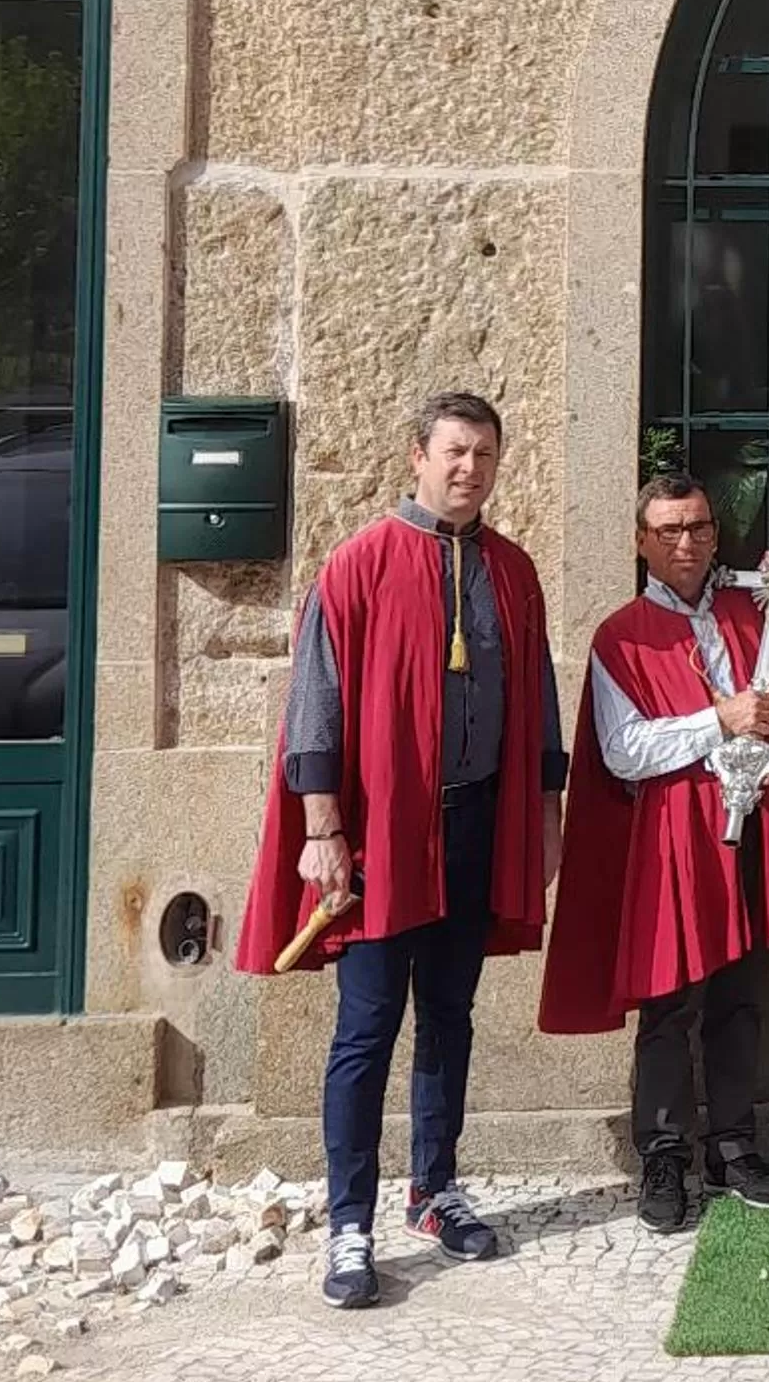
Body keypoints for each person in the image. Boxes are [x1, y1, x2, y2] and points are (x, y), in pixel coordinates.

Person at [235, 390, 564, 1310]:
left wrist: (545, 816)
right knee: (367, 1029)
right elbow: (316, 706)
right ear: (417, 456)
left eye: (486, 456)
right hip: (380, 838)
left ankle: (436, 1188)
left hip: (475, 824)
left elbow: (535, 703)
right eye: (455, 452)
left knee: (450, 1017)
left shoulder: (513, 572)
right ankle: (348, 1222)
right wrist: (323, 830)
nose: (469, 470)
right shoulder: (358, 565)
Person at [538, 476, 769, 1231]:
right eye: (667, 530)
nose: (686, 543)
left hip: (755, 822)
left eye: (697, 527)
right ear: (641, 540)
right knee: (671, 1000)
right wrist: (720, 720)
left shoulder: (752, 616)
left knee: (742, 993)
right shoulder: (621, 635)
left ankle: (733, 1147)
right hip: (674, 835)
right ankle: (663, 1152)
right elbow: (625, 749)